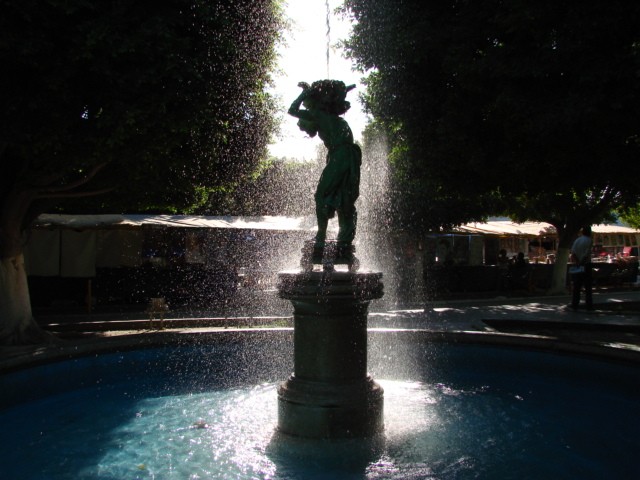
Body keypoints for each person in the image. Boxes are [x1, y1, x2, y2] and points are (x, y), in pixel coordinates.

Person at [288, 80, 362, 249]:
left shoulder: (317, 115)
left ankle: (320, 237)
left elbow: (292, 110)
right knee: (343, 197)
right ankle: (343, 240)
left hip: (341, 155)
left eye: (305, 127)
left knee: (321, 195)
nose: (306, 130)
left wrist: (304, 93)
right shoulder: (333, 119)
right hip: (346, 156)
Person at [570, 226, 593, 310]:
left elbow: (573, 253)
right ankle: (589, 305)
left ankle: (575, 303)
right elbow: (586, 254)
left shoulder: (577, 240)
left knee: (577, 286)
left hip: (577, 264)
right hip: (586, 265)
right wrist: (581, 262)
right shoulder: (589, 240)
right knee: (588, 286)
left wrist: (577, 262)